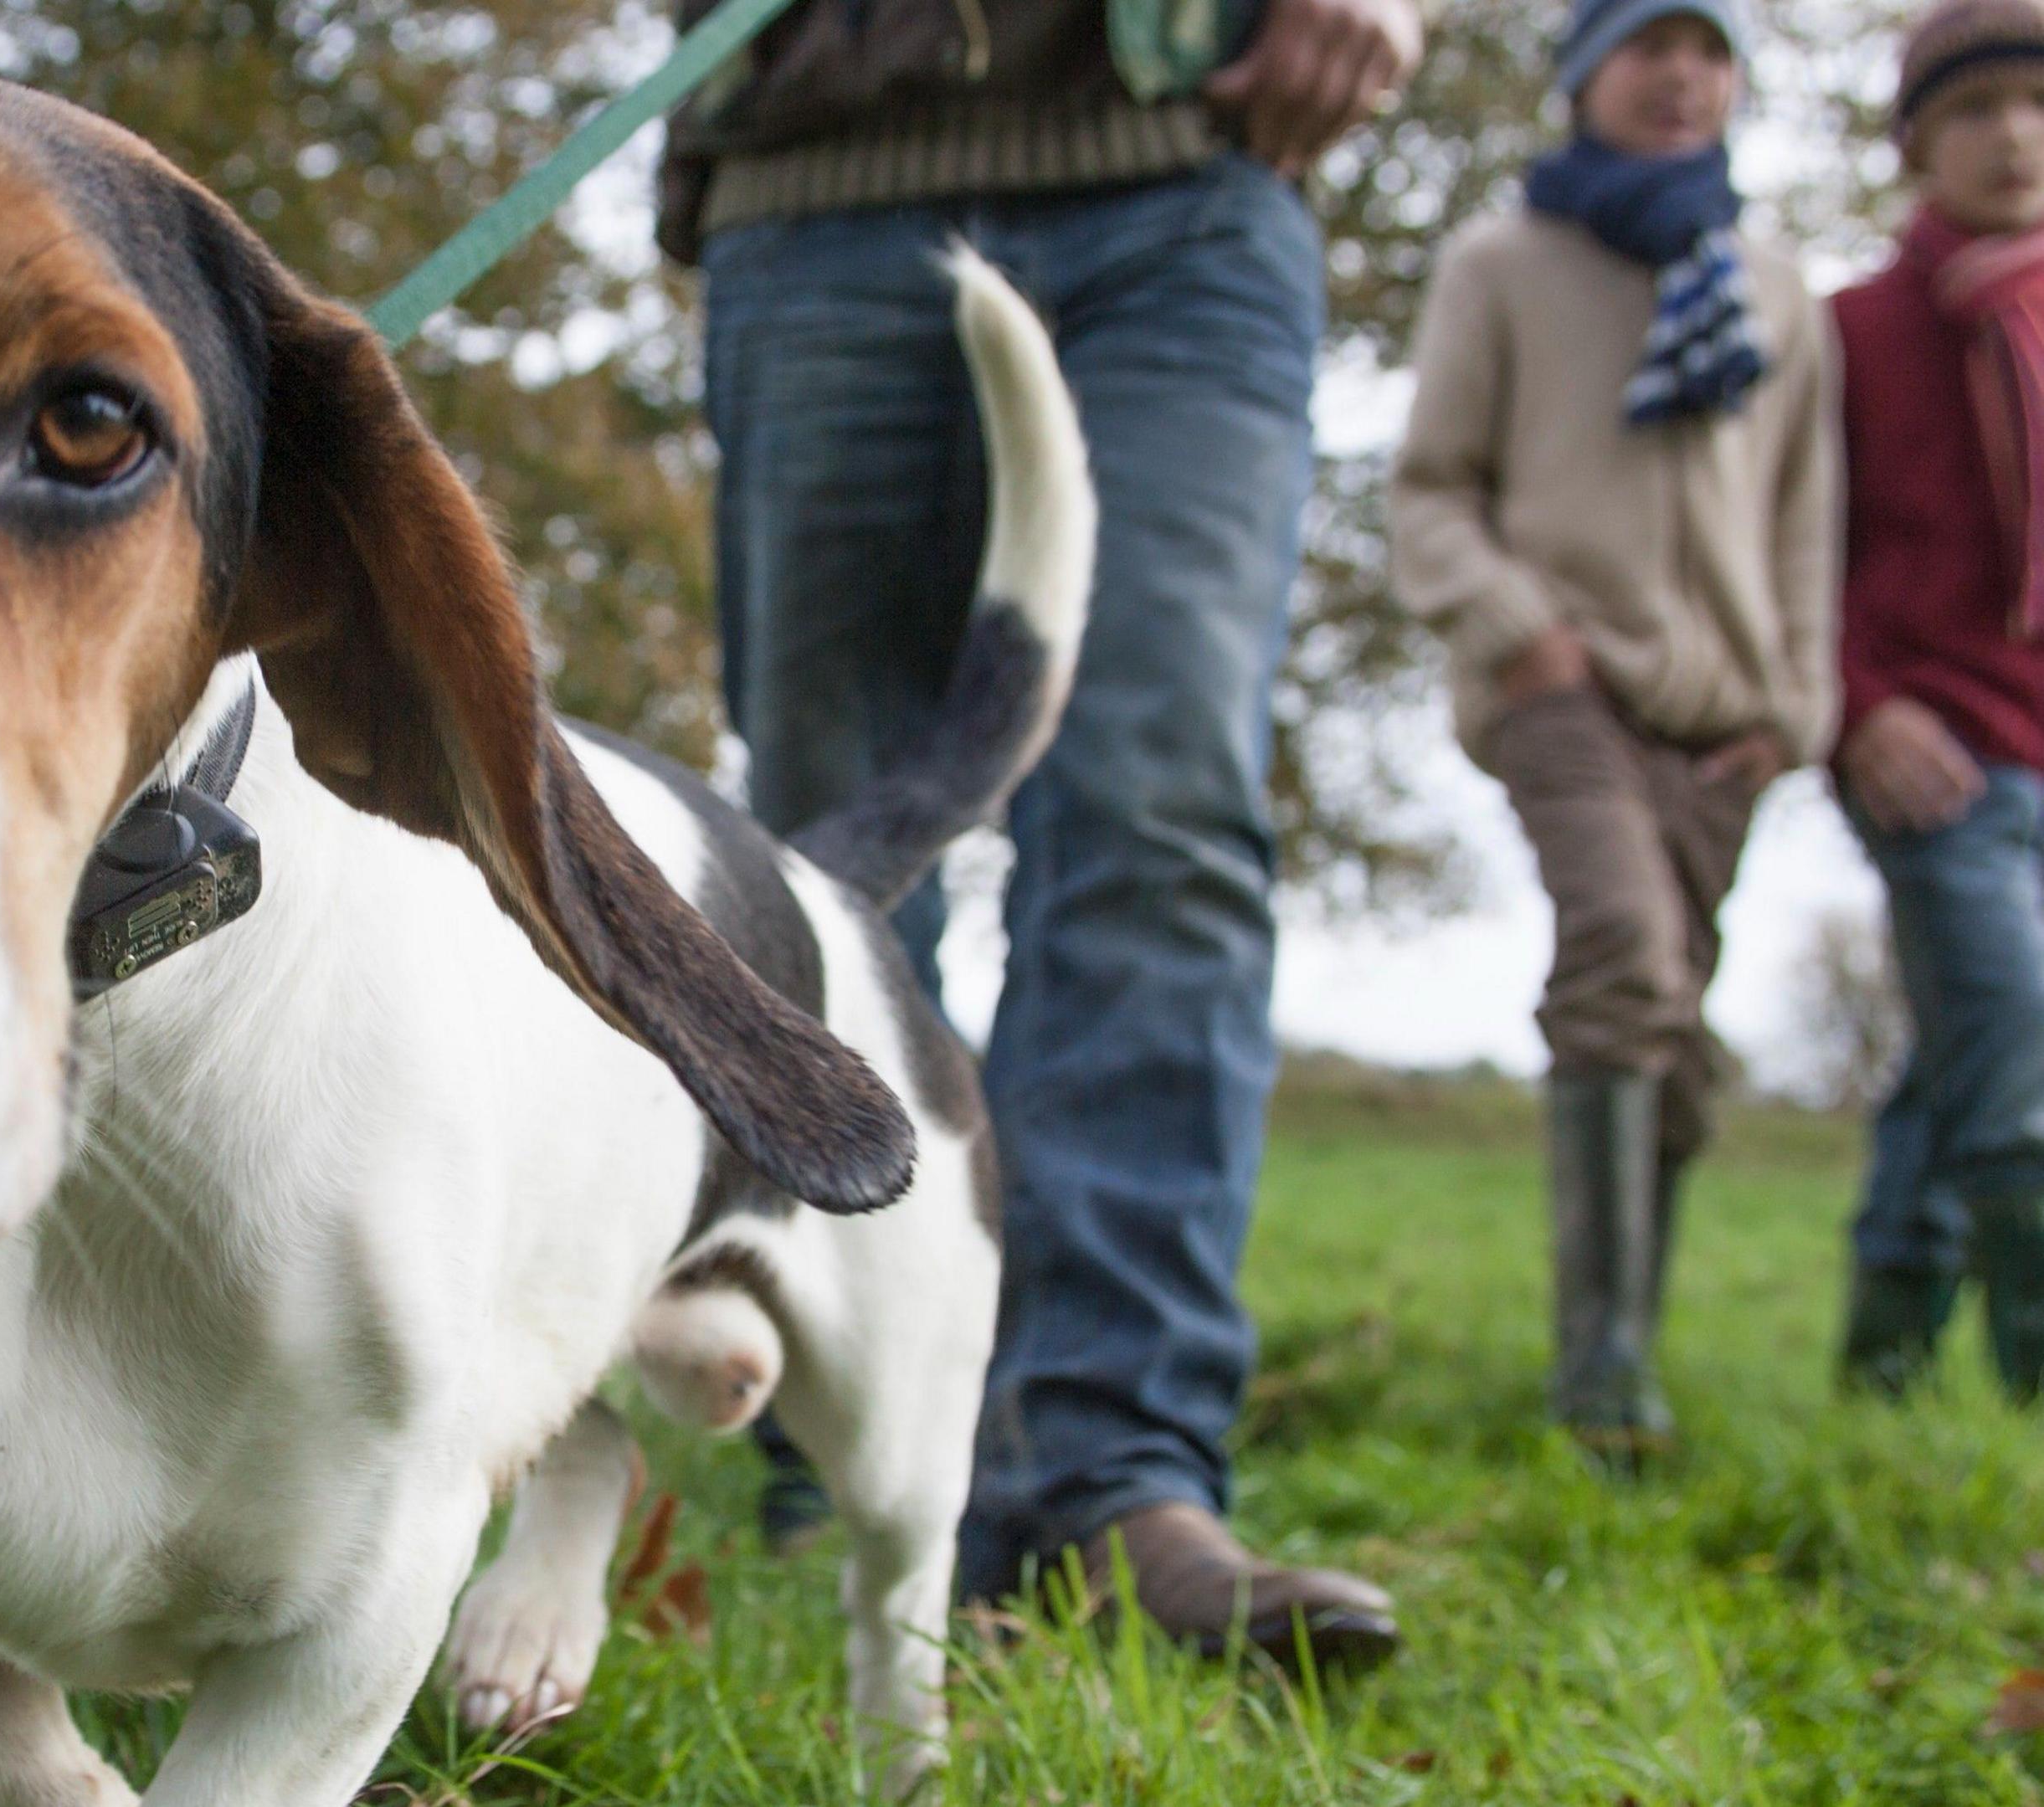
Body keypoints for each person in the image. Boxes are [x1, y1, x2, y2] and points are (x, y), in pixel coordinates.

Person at [661, 0, 1415, 1664]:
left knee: (1163, 816)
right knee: (822, 860)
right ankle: (837, 1455)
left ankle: (1117, 1478)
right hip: (817, 177)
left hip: (1191, 173)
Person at [1390, 0, 1840, 1461]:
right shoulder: (1503, 262)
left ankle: (1628, 1333)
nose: (1683, 78)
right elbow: (1432, 487)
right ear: (1587, 75)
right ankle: (1600, 1378)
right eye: (1651, 45)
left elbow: (1804, 520)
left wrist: (1796, 708)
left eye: (1711, 51)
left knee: (1676, 1036)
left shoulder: (1774, 290)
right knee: (1624, 960)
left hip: (1727, 717)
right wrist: (1524, 631)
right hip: (1562, 687)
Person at [1826, 0, 2044, 1404]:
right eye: (1974, 110)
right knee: (2021, 1045)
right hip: (1936, 755)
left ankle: (1884, 1359)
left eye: (2035, 104)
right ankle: (2036, 1382)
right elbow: (1796, 557)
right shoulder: (1853, 332)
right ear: (1917, 143)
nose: (2013, 135)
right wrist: (1857, 712)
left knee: (1961, 1054)